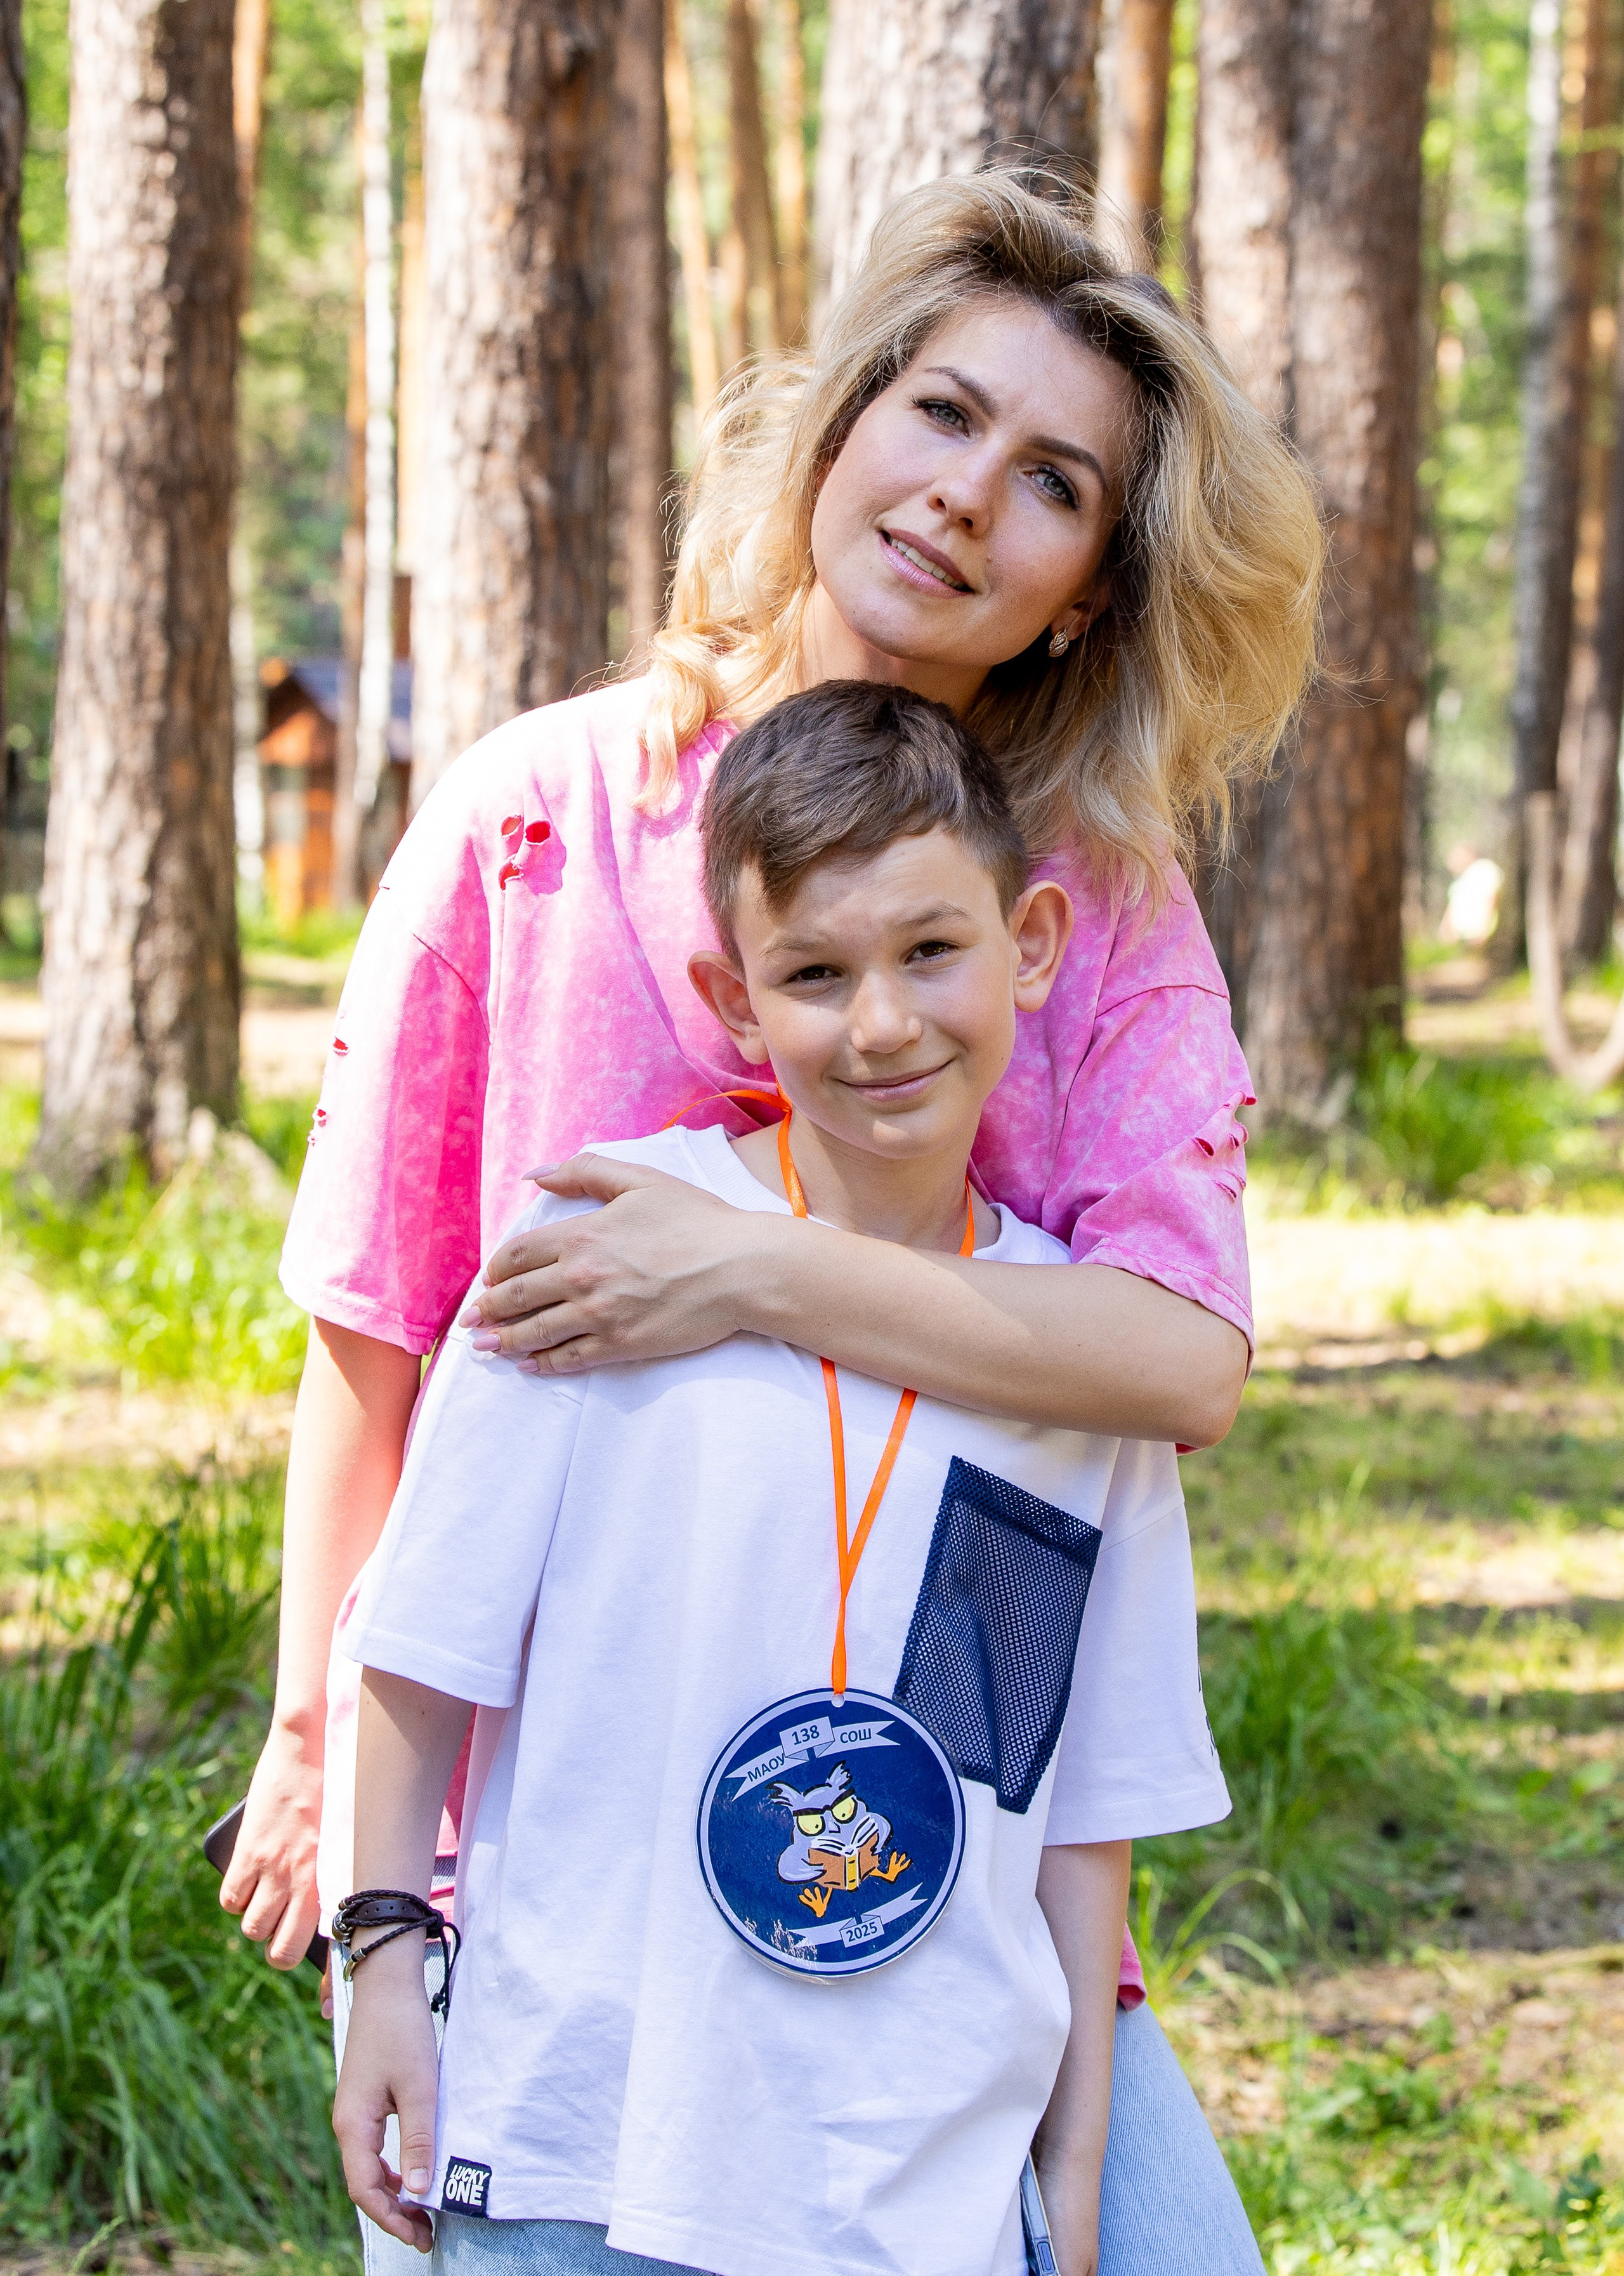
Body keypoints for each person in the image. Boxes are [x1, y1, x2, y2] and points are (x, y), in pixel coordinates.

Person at [221, 169, 1321, 2275]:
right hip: (539, 1856)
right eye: (936, 413)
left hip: (917, 1860)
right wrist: (324, 1773)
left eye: (1052, 482)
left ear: (1088, 582)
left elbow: (1178, 1361)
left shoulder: (1092, 909)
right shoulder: (526, 826)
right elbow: (377, 1333)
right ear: (840, 422)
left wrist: (747, 1274)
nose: (962, 499)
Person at [331, 683, 1234, 2276]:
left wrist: (1073, 2154)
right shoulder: (594, 1267)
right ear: (733, 1002)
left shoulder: (1063, 1372)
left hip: (908, 2182)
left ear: (1029, 944)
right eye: (813, 973)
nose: (878, 1024)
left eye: (928, 952)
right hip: (575, 2153)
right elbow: (422, 1645)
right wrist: (385, 1958)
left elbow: (1074, 1799)